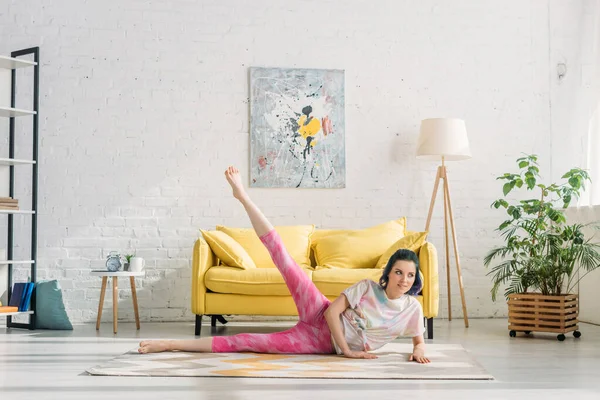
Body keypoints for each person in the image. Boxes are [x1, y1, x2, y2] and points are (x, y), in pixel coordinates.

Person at [138, 166, 430, 363]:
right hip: (320, 312)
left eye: (409, 275)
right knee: (284, 259)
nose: (403, 279)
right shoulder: (367, 288)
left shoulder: (412, 309)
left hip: (316, 343)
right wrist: (346, 351)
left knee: (245, 340)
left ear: (414, 279)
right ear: (388, 274)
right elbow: (331, 314)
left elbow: (418, 341)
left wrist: (418, 350)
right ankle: (243, 197)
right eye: (398, 272)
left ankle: (168, 344)